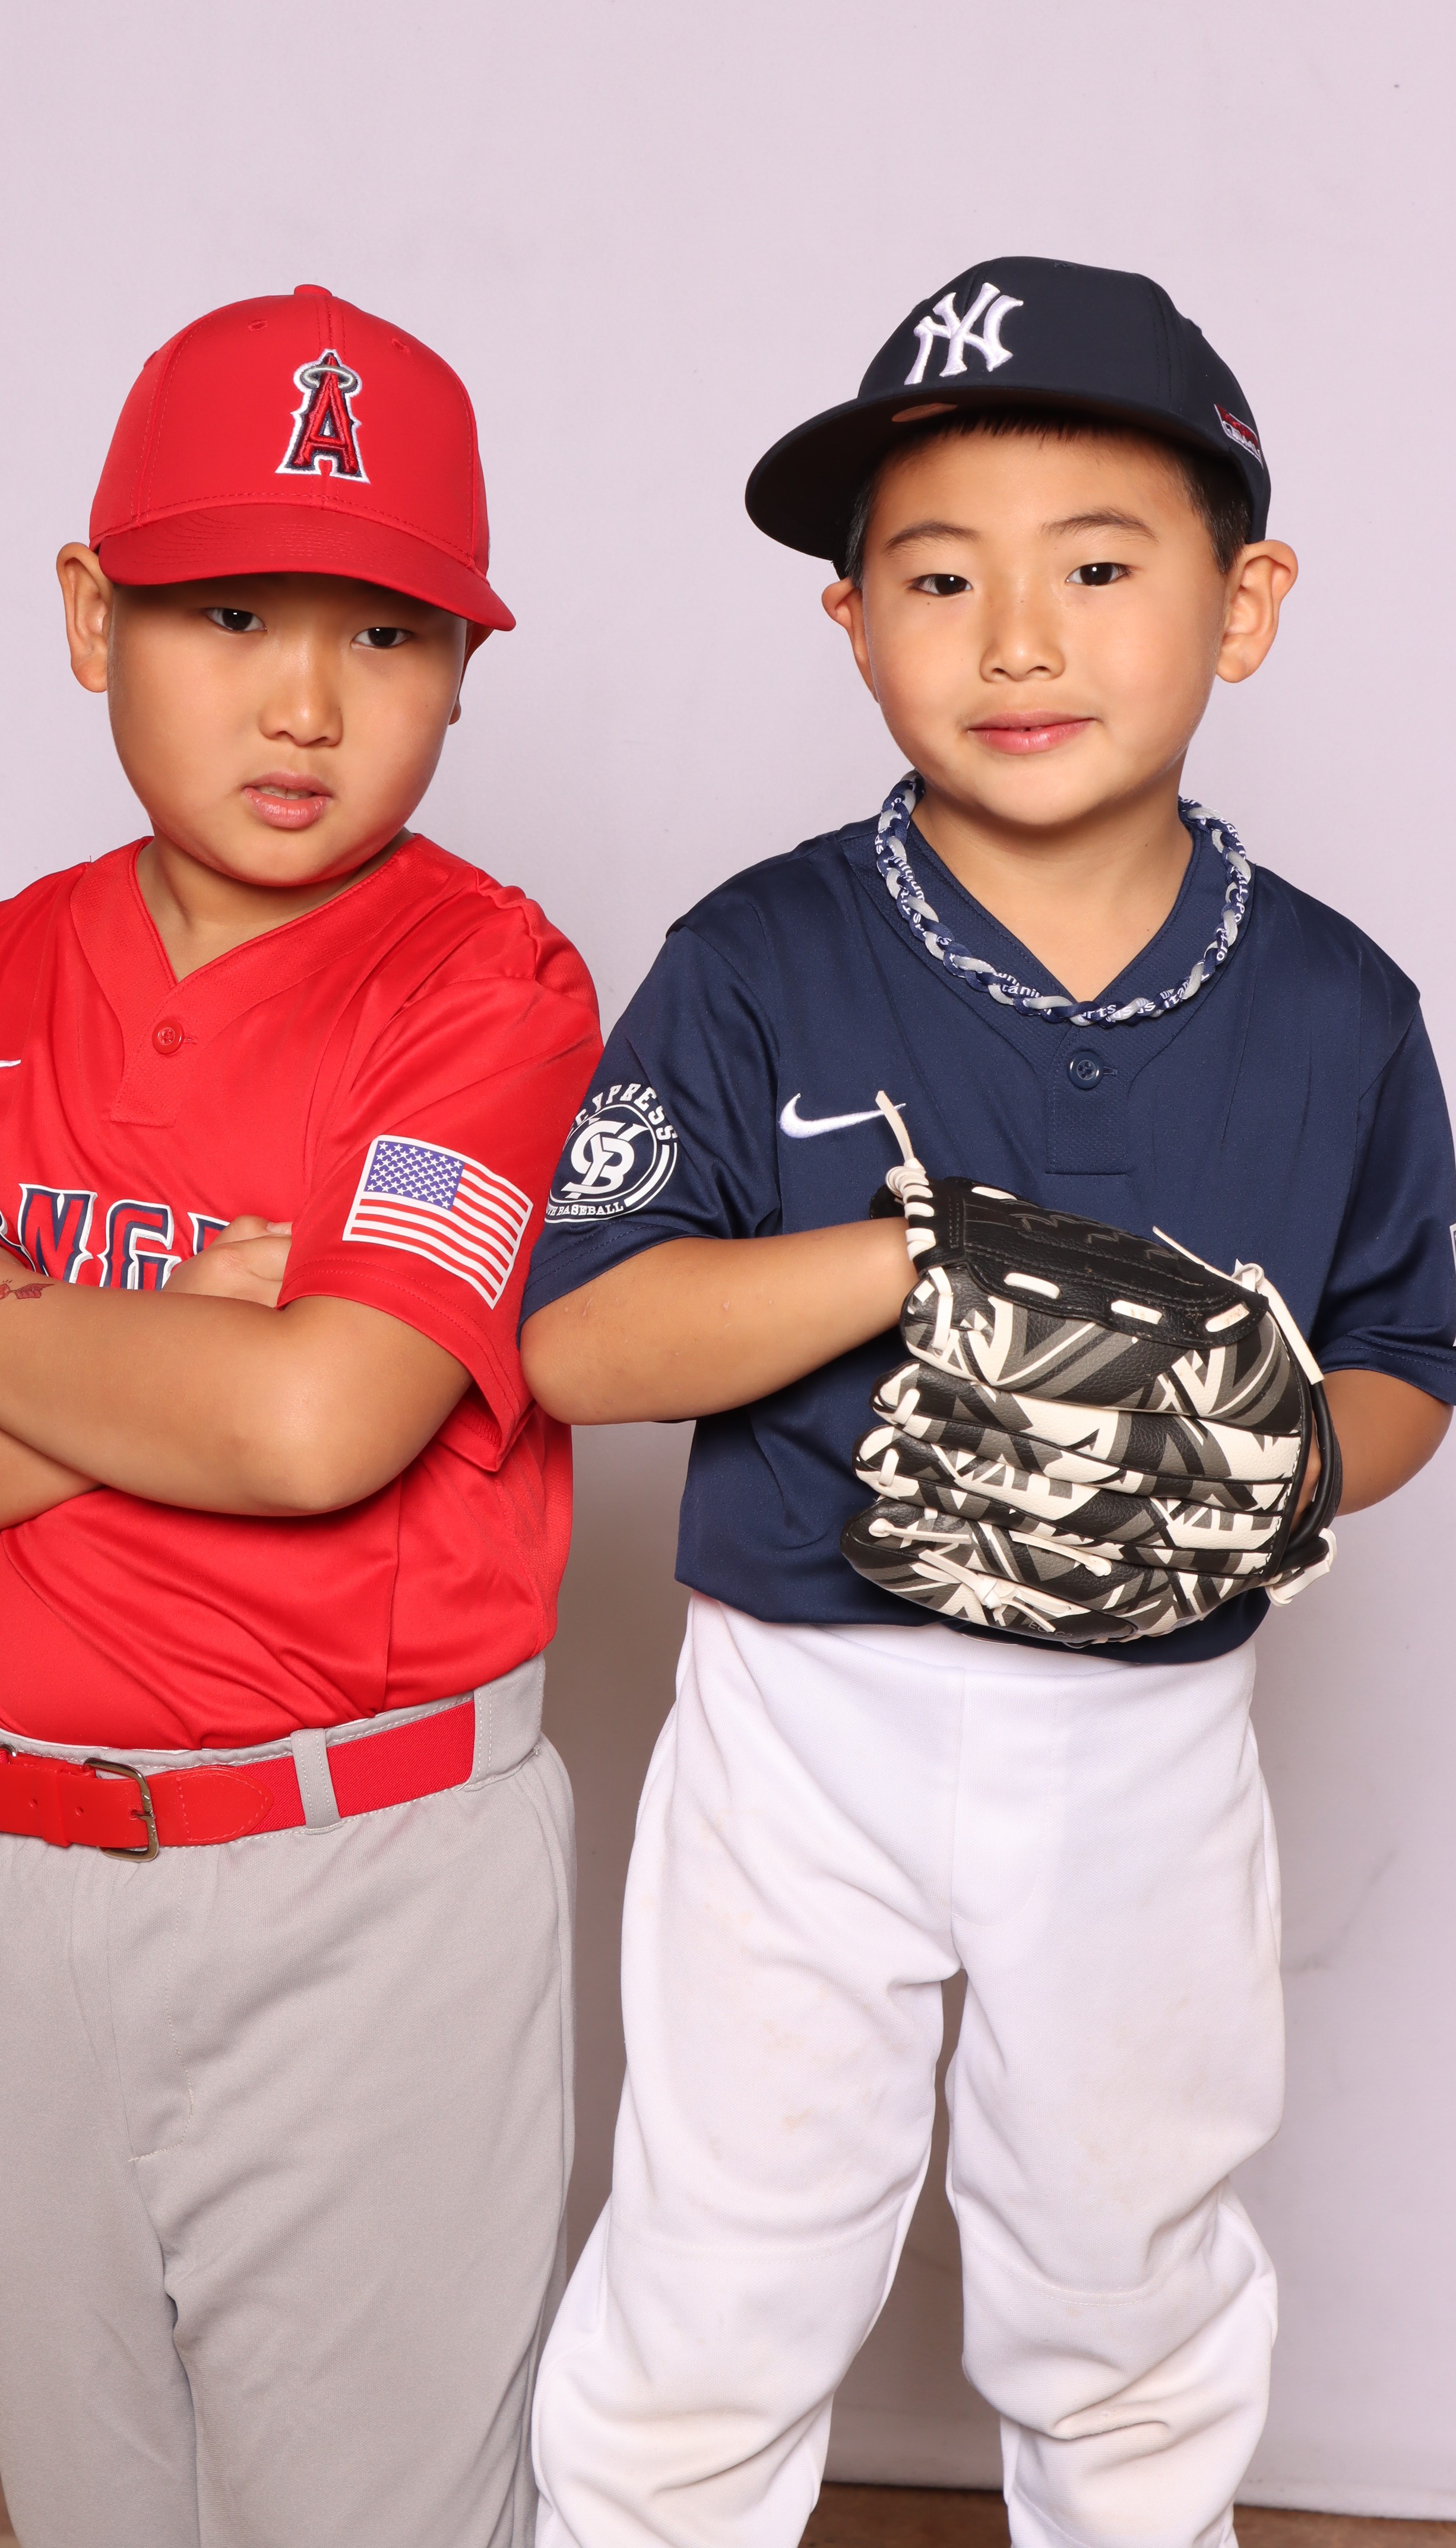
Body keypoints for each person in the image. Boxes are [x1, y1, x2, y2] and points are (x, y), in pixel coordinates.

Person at [518, 257, 1456, 2548]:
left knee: (1125, 2279)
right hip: (801, 1711)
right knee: (723, 2271)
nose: (1019, 640)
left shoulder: (1337, 1006)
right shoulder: (760, 956)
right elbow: (581, 1340)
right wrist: (921, 1261)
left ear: (1247, 606)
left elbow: (1405, 1361)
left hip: (1147, 1726)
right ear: (854, 627)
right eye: (940, 578)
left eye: (1100, 569)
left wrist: (1253, 1472)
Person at [0, 284, 601, 2548]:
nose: (306, 701)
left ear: (462, 667)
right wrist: (161, 1347)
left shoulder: (488, 989)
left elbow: (314, 1430)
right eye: (229, 613)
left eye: (386, 633)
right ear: (89, 615)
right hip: (0, 1868)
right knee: (92, 2510)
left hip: (361, 1880)